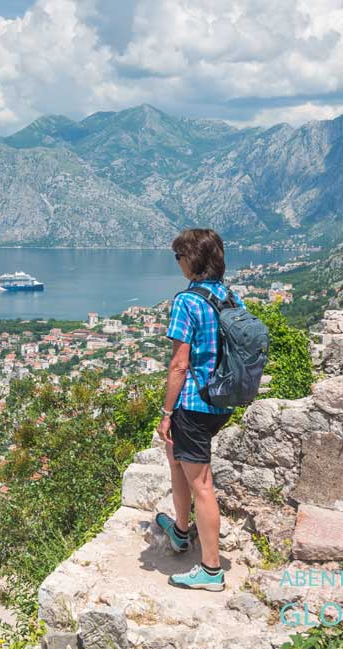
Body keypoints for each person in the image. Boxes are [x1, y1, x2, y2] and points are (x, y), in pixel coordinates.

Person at [155, 228, 244, 592]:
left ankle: (210, 570)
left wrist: (166, 411)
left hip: (192, 403)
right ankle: (179, 530)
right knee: (176, 456)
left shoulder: (187, 302)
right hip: (221, 400)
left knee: (201, 483)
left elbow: (179, 364)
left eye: (179, 256)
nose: (177, 262)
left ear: (192, 260)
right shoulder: (229, 296)